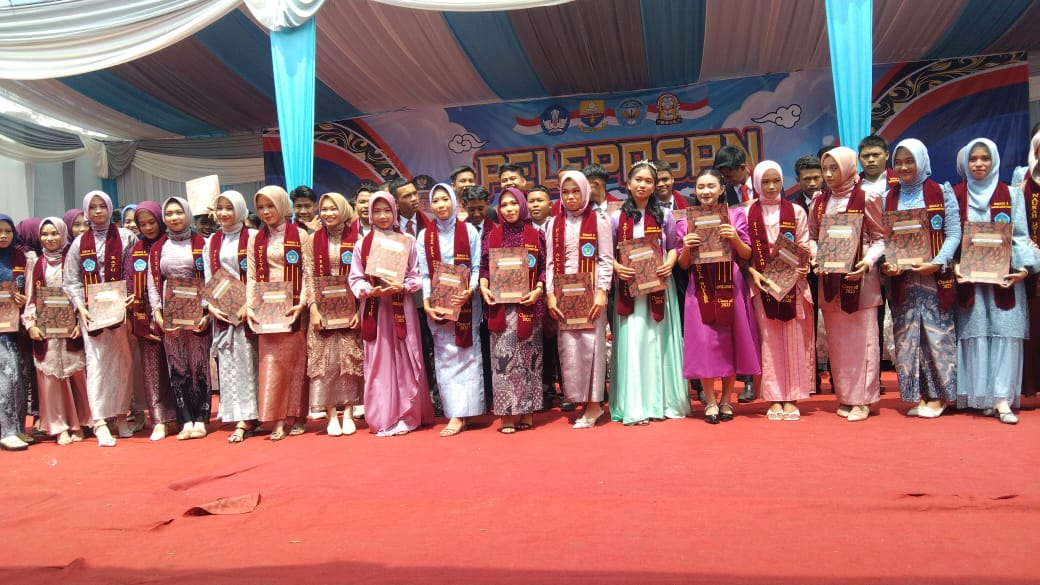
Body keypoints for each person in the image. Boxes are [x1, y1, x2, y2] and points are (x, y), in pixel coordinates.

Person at [953, 138, 1037, 424]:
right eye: (973, 159)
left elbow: (1020, 236)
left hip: (1005, 278)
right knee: (976, 332)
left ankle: (1001, 399)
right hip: (970, 279)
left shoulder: (1011, 195)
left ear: (995, 161)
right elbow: (953, 237)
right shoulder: (956, 195)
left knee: (1004, 332)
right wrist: (954, 266)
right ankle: (980, 397)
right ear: (965, 163)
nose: (978, 164)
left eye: (985, 158)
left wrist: (1024, 269)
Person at [880, 139, 961, 418]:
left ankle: (941, 396)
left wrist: (936, 264)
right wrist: (889, 264)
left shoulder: (941, 191)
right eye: (899, 162)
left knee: (937, 337)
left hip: (932, 279)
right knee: (909, 340)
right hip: (903, 281)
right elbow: (886, 238)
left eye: (909, 161)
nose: (903, 167)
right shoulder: (888, 197)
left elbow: (953, 233)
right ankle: (921, 394)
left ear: (922, 161)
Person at [677, 170, 761, 423]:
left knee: (730, 340)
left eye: (711, 186)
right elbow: (683, 264)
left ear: (722, 189)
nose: (706, 191)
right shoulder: (685, 220)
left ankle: (726, 400)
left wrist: (734, 238)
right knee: (704, 342)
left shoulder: (735, 215)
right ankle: (710, 401)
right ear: (695, 190)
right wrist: (686, 248)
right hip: (700, 285)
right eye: (701, 186)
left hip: (730, 282)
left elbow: (746, 254)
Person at [348, 191, 434, 436]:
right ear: (369, 214)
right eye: (377, 211)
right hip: (375, 310)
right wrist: (369, 290)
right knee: (378, 361)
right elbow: (355, 278)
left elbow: (418, 275)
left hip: (401, 307)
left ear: (395, 211)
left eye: (387, 210)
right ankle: (382, 417)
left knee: (406, 357)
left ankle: (408, 414)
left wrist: (404, 286)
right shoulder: (362, 244)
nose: (383, 216)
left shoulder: (407, 240)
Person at [609, 161, 689, 425]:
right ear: (628, 183)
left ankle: (663, 402)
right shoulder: (615, 218)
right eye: (638, 180)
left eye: (648, 181)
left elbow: (674, 246)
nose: (642, 185)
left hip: (659, 286)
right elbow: (607, 254)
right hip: (630, 289)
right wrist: (617, 267)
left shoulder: (665, 215)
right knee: (635, 342)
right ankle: (636, 405)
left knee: (658, 342)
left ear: (655, 186)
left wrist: (670, 262)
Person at [809, 147, 885, 422]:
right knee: (838, 343)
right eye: (825, 169)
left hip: (860, 279)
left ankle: (863, 400)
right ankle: (846, 397)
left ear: (849, 168)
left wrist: (868, 261)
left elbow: (880, 237)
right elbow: (812, 237)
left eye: (835, 168)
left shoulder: (868, 197)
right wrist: (816, 257)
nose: (829, 174)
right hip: (830, 280)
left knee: (863, 342)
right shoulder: (819, 202)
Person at [62, 191, 138, 446]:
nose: (97, 211)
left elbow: (135, 270)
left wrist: (132, 294)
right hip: (92, 313)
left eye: (102, 206)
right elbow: (71, 281)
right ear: (86, 211)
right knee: (97, 366)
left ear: (109, 208)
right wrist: (79, 307)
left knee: (123, 364)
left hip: (121, 311)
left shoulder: (126, 237)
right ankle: (100, 422)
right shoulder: (78, 243)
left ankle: (121, 416)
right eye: (92, 207)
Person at [744, 162, 814, 420]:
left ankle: (793, 396)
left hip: (793, 283)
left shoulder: (796, 211)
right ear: (756, 183)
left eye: (776, 181)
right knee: (769, 340)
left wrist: (804, 265)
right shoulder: (747, 213)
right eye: (765, 182)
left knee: (793, 338)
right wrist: (753, 273)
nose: (771, 187)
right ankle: (774, 396)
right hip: (762, 283)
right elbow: (742, 251)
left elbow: (805, 244)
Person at [545, 170, 614, 428]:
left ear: (585, 192)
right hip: (564, 295)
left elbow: (605, 259)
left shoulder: (599, 220)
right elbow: (550, 263)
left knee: (592, 347)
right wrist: (550, 295)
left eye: (576, 191)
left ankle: (595, 405)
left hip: (591, 293)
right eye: (565, 192)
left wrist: (602, 292)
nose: (571, 197)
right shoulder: (553, 223)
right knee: (571, 349)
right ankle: (582, 401)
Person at [417, 184, 485, 436]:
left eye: (445, 199)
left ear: (455, 202)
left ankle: (467, 412)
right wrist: (426, 300)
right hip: (439, 304)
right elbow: (425, 274)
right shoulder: (424, 236)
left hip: (466, 302)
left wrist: (471, 289)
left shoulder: (469, 231)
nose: (441, 205)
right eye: (436, 201)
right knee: (445, 356)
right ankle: (455, 414)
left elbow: (477, 268)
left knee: (468, 354)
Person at [246, 186, 312, 440]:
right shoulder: (255, 239)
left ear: (283, 205)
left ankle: (297, 416)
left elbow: (308, 273)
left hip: (294, 308)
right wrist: (250, 305)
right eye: (261, 207)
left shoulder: (300, 235)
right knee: (271, 365)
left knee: (296, 365)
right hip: (267, 309)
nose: (265, 212)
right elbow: (252, 276)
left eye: (270, 206)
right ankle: (277, 419)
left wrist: (303, 302)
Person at [479, 187, 545, 432]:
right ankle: (506, 414)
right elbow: (484, 267)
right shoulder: (491, 236)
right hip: (501, 308)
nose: (509, 209)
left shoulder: (536, 235)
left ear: (522, 205)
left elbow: (544, 269)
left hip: (528, 305)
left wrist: (539, 289)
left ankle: (527, 410)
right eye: (504, 205)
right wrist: (483, 286)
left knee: (529, 360)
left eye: (514, 203)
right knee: (503, 361)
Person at [147, 197, 212, 440]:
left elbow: (211, 278)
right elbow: (153, 282)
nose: (174, 217)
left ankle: (201, 418)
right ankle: (185, 420)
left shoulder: (202, 243)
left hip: (198, 311)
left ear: (187, 214)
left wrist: (207, 312)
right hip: (171, 312)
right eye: (169, 213)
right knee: (177, 365)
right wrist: (157, 312)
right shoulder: (158, 248)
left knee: (199, 364)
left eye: (179, 212)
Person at [23, 217, 90, 445]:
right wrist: (30, 324)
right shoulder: (35, 263)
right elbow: (31, 298)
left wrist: (80, 323)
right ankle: (59, 426)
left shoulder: (73, 259)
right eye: (45, 234)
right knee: (51, 380)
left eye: (54, 234)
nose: (50, 238)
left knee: (77, 377)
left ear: (63, 234)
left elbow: (82, 293)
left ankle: (81, 422)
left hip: (72, 328)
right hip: (47, 330)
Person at [305, 192, 364, 437]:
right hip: (323, 311)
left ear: (343, 209)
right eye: (325, 209)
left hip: (350, 310)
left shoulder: (358, 239)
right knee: (326, 363)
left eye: (333, 208)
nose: (328, 213)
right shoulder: (312, 240)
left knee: (348, 362)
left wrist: (360, 309)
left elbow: (364, 277)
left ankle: (348, 413)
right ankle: (331, 414)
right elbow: (308, 276)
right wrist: (312, 309)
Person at [204, 190, 260, 443]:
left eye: (229, 208)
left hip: (249, 309)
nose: (224, 213)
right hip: (224, 310)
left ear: (240, 209)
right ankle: (237, 414)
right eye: (220, 208)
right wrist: (211, 305)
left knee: (249, 363)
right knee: (228, 364)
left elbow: (261, 273)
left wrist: (249, 303)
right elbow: (209, 275)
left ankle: (250, 416)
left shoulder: (254, 237)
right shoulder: (212, 241)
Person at [125, 201, 177, 440]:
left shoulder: (171, 243)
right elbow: (128, 280)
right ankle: (159, 419)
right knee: (152, 370)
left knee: (177, 368)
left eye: (151, 222)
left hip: (175, 315)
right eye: (142, 224)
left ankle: (179, 416)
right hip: (145, 317)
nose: (147, 228)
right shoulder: (134, 250)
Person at [0, 214, 32, 450]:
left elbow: (30, 288)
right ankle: (7, 431)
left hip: (17, 328)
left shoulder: (21, 257)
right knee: (5, 376)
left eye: (8, 231)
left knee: (19, 377)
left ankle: (18, 427)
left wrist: (23, 298)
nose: (3, 236)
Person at [858, 135, 898, 203]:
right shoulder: (852, 186)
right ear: (859, 158)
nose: (871, 160)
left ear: (886, 155)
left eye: (875, 155)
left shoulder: (900, 182)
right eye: (865, 156)